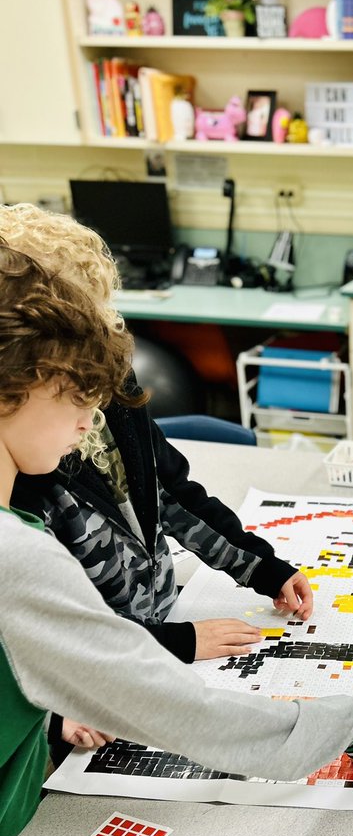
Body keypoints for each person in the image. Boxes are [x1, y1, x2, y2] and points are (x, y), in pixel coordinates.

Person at [0, 245, 353, 836]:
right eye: (77, 393)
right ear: (17, 384)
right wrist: (347, 723)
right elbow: (177, 710)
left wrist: (55, 703)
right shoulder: (18, 549)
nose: (89, 417)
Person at [3, 204, 312, 673]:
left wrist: (260, 567)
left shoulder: (110, 386)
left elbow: (170, 492)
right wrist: (177, 643)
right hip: (118, 660)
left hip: (163, 617)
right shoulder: (28, 459)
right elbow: (56, 632)